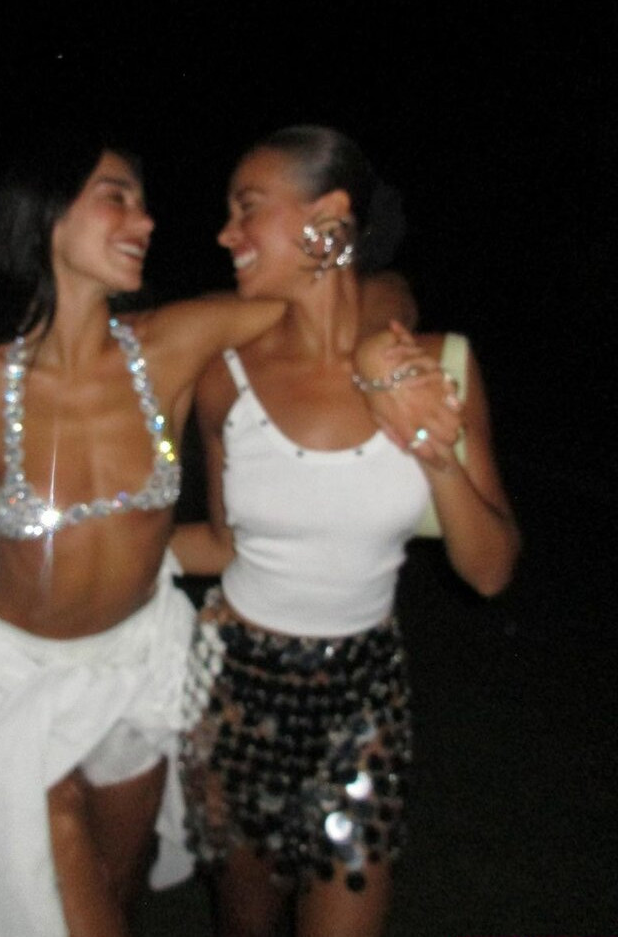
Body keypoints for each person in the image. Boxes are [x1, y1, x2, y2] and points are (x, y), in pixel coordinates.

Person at [0, 137, 292, 937]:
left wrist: (392, 309)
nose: (146, 220)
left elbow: (322, 303)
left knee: (115, 886)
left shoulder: (172, 345)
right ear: (48, 217)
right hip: (5, 682)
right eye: (117, 197)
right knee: (57, 867)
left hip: (137, 667)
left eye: (142, 201)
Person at [171, 125, 520, 937]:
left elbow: (490, 570)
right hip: (234, 692)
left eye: (247, 208)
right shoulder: (224, 378)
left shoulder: (438, 366)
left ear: (327, 220)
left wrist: (432, 449)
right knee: (246, 921)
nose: (225, 233)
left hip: (365, 699)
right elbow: (222, 543)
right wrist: (84, 551)